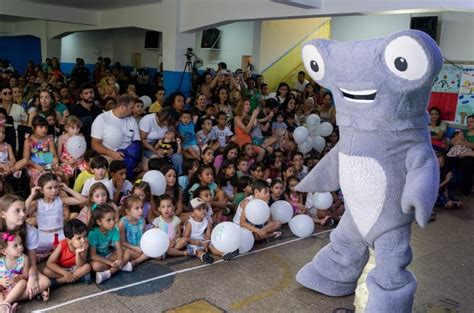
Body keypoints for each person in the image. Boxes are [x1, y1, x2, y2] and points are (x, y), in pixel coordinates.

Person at [0, 195, 51, 303]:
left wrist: (32, 279)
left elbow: (32, 263)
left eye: (24, 210)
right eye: (17, 211)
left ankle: (5, 301)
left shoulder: (30, 231)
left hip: (22, 268)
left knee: (45, 282)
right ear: (3, 214)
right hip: (2, 269)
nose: (23, 214)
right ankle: (14, 298)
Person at [25, 173, 86, 259]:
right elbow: (23, 211)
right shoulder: (37, 203)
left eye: (56, 187)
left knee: (77, 242)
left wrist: (67, 189)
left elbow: (82, 200)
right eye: (50, 188)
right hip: (43, 237)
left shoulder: (61, 200)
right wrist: (32, 195)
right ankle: (50, 253)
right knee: (29, 242)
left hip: (60, 236)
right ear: (42, 190)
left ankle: (49, 254)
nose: (54, 190)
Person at [183, 198, 239, 263]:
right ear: (192, 213)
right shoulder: (190, 223)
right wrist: (195, 242)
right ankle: (203, 256)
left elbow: (207, 234)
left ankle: (224, 254)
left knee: (212, 245)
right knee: (197, 250)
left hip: (203, 240)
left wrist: (206, 244)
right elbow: (186, 237)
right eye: (199, 209)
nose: (203, 211)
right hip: (192, 242)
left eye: (204, 208)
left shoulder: (206, 221)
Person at [88, 204, 133, 284]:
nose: (112, 222)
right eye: (108, 220)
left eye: (113, 219)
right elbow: (93, 256)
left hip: (108, 255)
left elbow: (118, 248)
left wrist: (119, 259)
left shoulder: (114, 230)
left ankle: (108, 273)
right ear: (99, 222)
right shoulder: (93, 233)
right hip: (98, 259)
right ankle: (122, 266)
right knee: (96, 267)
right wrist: (111, 263)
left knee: (127, 254)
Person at [91, 94, 140, 162]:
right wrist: (111, 153)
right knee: (116, 167)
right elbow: (95, 145)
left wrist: (138, 159)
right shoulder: (102, 119)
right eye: (131, 108)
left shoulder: (132, 120)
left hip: (128, 154)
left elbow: (137, 142)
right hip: (108, 154)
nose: (133, 110)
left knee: (146, 165)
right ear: (122, 107)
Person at [43, 219, 91, 286]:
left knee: (87, 267)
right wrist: (65, 273)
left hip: (75, 268)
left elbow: (80, 265)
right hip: (62, 268)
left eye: (85, 236)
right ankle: (79, 278)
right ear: (69, 240)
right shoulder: (62, 244)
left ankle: (59, 282)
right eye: (79, 238)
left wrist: (78, 253)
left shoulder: (84, 245)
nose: (83, 240)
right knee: (46, 271)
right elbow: (49, 263)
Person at [23, 116, 60, 186]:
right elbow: (26, 159)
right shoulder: (28, 140)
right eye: (41, 127)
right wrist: (37, 167)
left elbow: (53, 155)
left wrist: (55, 164)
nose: (44, 130)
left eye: (46, 127)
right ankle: (34, 196)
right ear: (34, 128)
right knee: (35, 179)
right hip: (33, 165)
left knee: (57, 178)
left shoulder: (49, 139)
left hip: (47, 163)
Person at [0, 232, 29, 312]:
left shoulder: (24, 258)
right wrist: (1, 282)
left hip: (15, 286)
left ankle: (5, 304)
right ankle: (5, 308)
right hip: (3, 288)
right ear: (4, 251)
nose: (20, 247)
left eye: (21, 243)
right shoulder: (1, 261)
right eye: (15, 246)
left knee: (23, 282)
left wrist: (19, 277)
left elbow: (26, 275)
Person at [118, 195, 148, 267]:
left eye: (141, 207)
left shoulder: (142, 221)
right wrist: (136, 248)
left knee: (151, 250)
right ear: (128, 211)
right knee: (128, 253)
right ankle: (136, 260)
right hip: (129, 248)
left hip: (140, 248)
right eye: (137, 208)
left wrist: (143, 247)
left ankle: (134, 262)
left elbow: (144, 237)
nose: (141, 211)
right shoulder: (123, 223)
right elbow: (122, 242)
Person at [70, 83, 102, 149]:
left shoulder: (98, 110)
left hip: (96, 143)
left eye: (91, 92)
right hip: (80, 145)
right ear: (81, 95)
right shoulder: (75, 110)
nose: (90, 95)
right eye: (86, 93)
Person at [58, 116, 88, 182]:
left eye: (78, 128)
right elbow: (59, 155)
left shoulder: (82, 137)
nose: (76, 130)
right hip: (66, 162)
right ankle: (67, 191)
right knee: (65, 175)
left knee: (87, 173)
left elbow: (84, 153)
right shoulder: (61, 138)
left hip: (79, 162)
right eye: (73, 128)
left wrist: (81, 159)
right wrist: (68, 162)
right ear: (67, 128)